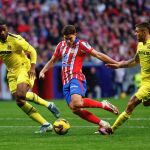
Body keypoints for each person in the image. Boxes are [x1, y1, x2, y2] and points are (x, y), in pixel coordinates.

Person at [39, 25, 119, 133]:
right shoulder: (60, 45)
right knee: (75, 109)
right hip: (65, 81)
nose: (68, 41)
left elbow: (98, 55)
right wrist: (43, 71)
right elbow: (53, 60)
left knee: (76, 102)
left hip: (76, 77)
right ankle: (103, 124)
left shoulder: (81, 44)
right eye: (65, 38)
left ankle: (104, 104)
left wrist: (116, 63)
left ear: (75, 35)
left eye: (70, 38)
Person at [0, 19, 60, 133]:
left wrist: (32, 68)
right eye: (0, 30)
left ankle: (48, 104)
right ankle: (46, 124)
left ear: (7, 28)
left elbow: (32, 50)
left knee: (21, 94)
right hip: (11, 72)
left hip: (24, 68)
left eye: (4, 29)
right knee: (19, 101)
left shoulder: (16, 39)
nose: (2, 32)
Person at [103, 21, 150, 134]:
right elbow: (135, 61)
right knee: (146, 103)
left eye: (137, 32)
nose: (135, 34)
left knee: (131, 102)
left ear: (144, 32)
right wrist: (119, 65)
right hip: (144, 82)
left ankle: (111, 130)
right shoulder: (140, 45)